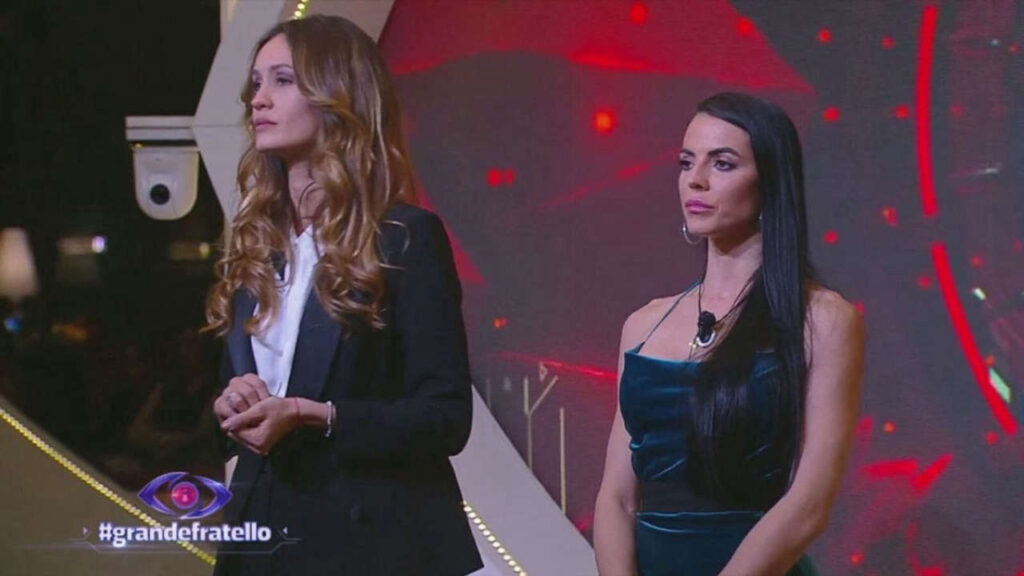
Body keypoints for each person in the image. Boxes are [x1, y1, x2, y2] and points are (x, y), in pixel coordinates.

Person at [204, 15, 482, 575]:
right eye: (255, 83)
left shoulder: (404, 238)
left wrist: (317, 415)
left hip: (371, 545)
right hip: (263, 540)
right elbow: (246, 398)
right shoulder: (258, 245)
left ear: (338, 96)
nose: (259, 99)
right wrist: (232, 402)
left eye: (283, 80)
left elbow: (444, 418)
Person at [593, 92, 865, 576]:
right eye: (686, 162)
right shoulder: (643, 325)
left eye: (722, 164)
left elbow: (809, 503)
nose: (695, 179)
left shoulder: (823, 320)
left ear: (770, 182)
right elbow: (617, 497)